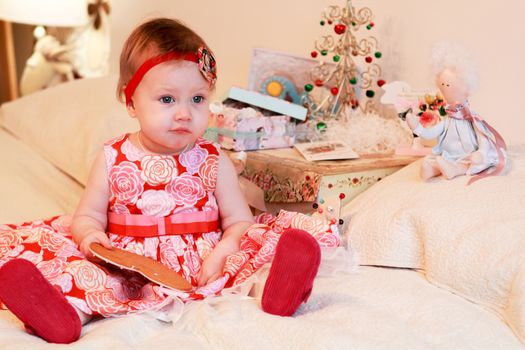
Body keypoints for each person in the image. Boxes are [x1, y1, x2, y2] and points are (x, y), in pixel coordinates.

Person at [0, 18, 339, 344]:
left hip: (205, 260)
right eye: (167, 99)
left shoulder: (213, 158)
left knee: (246, 266)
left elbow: (239, 221)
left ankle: (278, 291)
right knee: (93, 282)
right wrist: (92, 239)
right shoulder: (112, 157)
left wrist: (223, 251)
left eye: (197, 99)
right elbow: (87, 216)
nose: (183, 113)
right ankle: (61, 315)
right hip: (129, 266)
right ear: (130, 101)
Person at [406, 43, 506, 184]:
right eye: (442, 85)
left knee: (478, 161)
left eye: (448, 85)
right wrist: (417, 127)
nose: (445, 88)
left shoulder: (471, 117)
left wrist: (481, 152)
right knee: (435, 160)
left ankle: (455, 170)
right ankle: (432, 170)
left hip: (469, 155)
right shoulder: (447, 120)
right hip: (449, 156)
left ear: (467, 87)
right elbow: (430, 133)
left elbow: (482, 135)